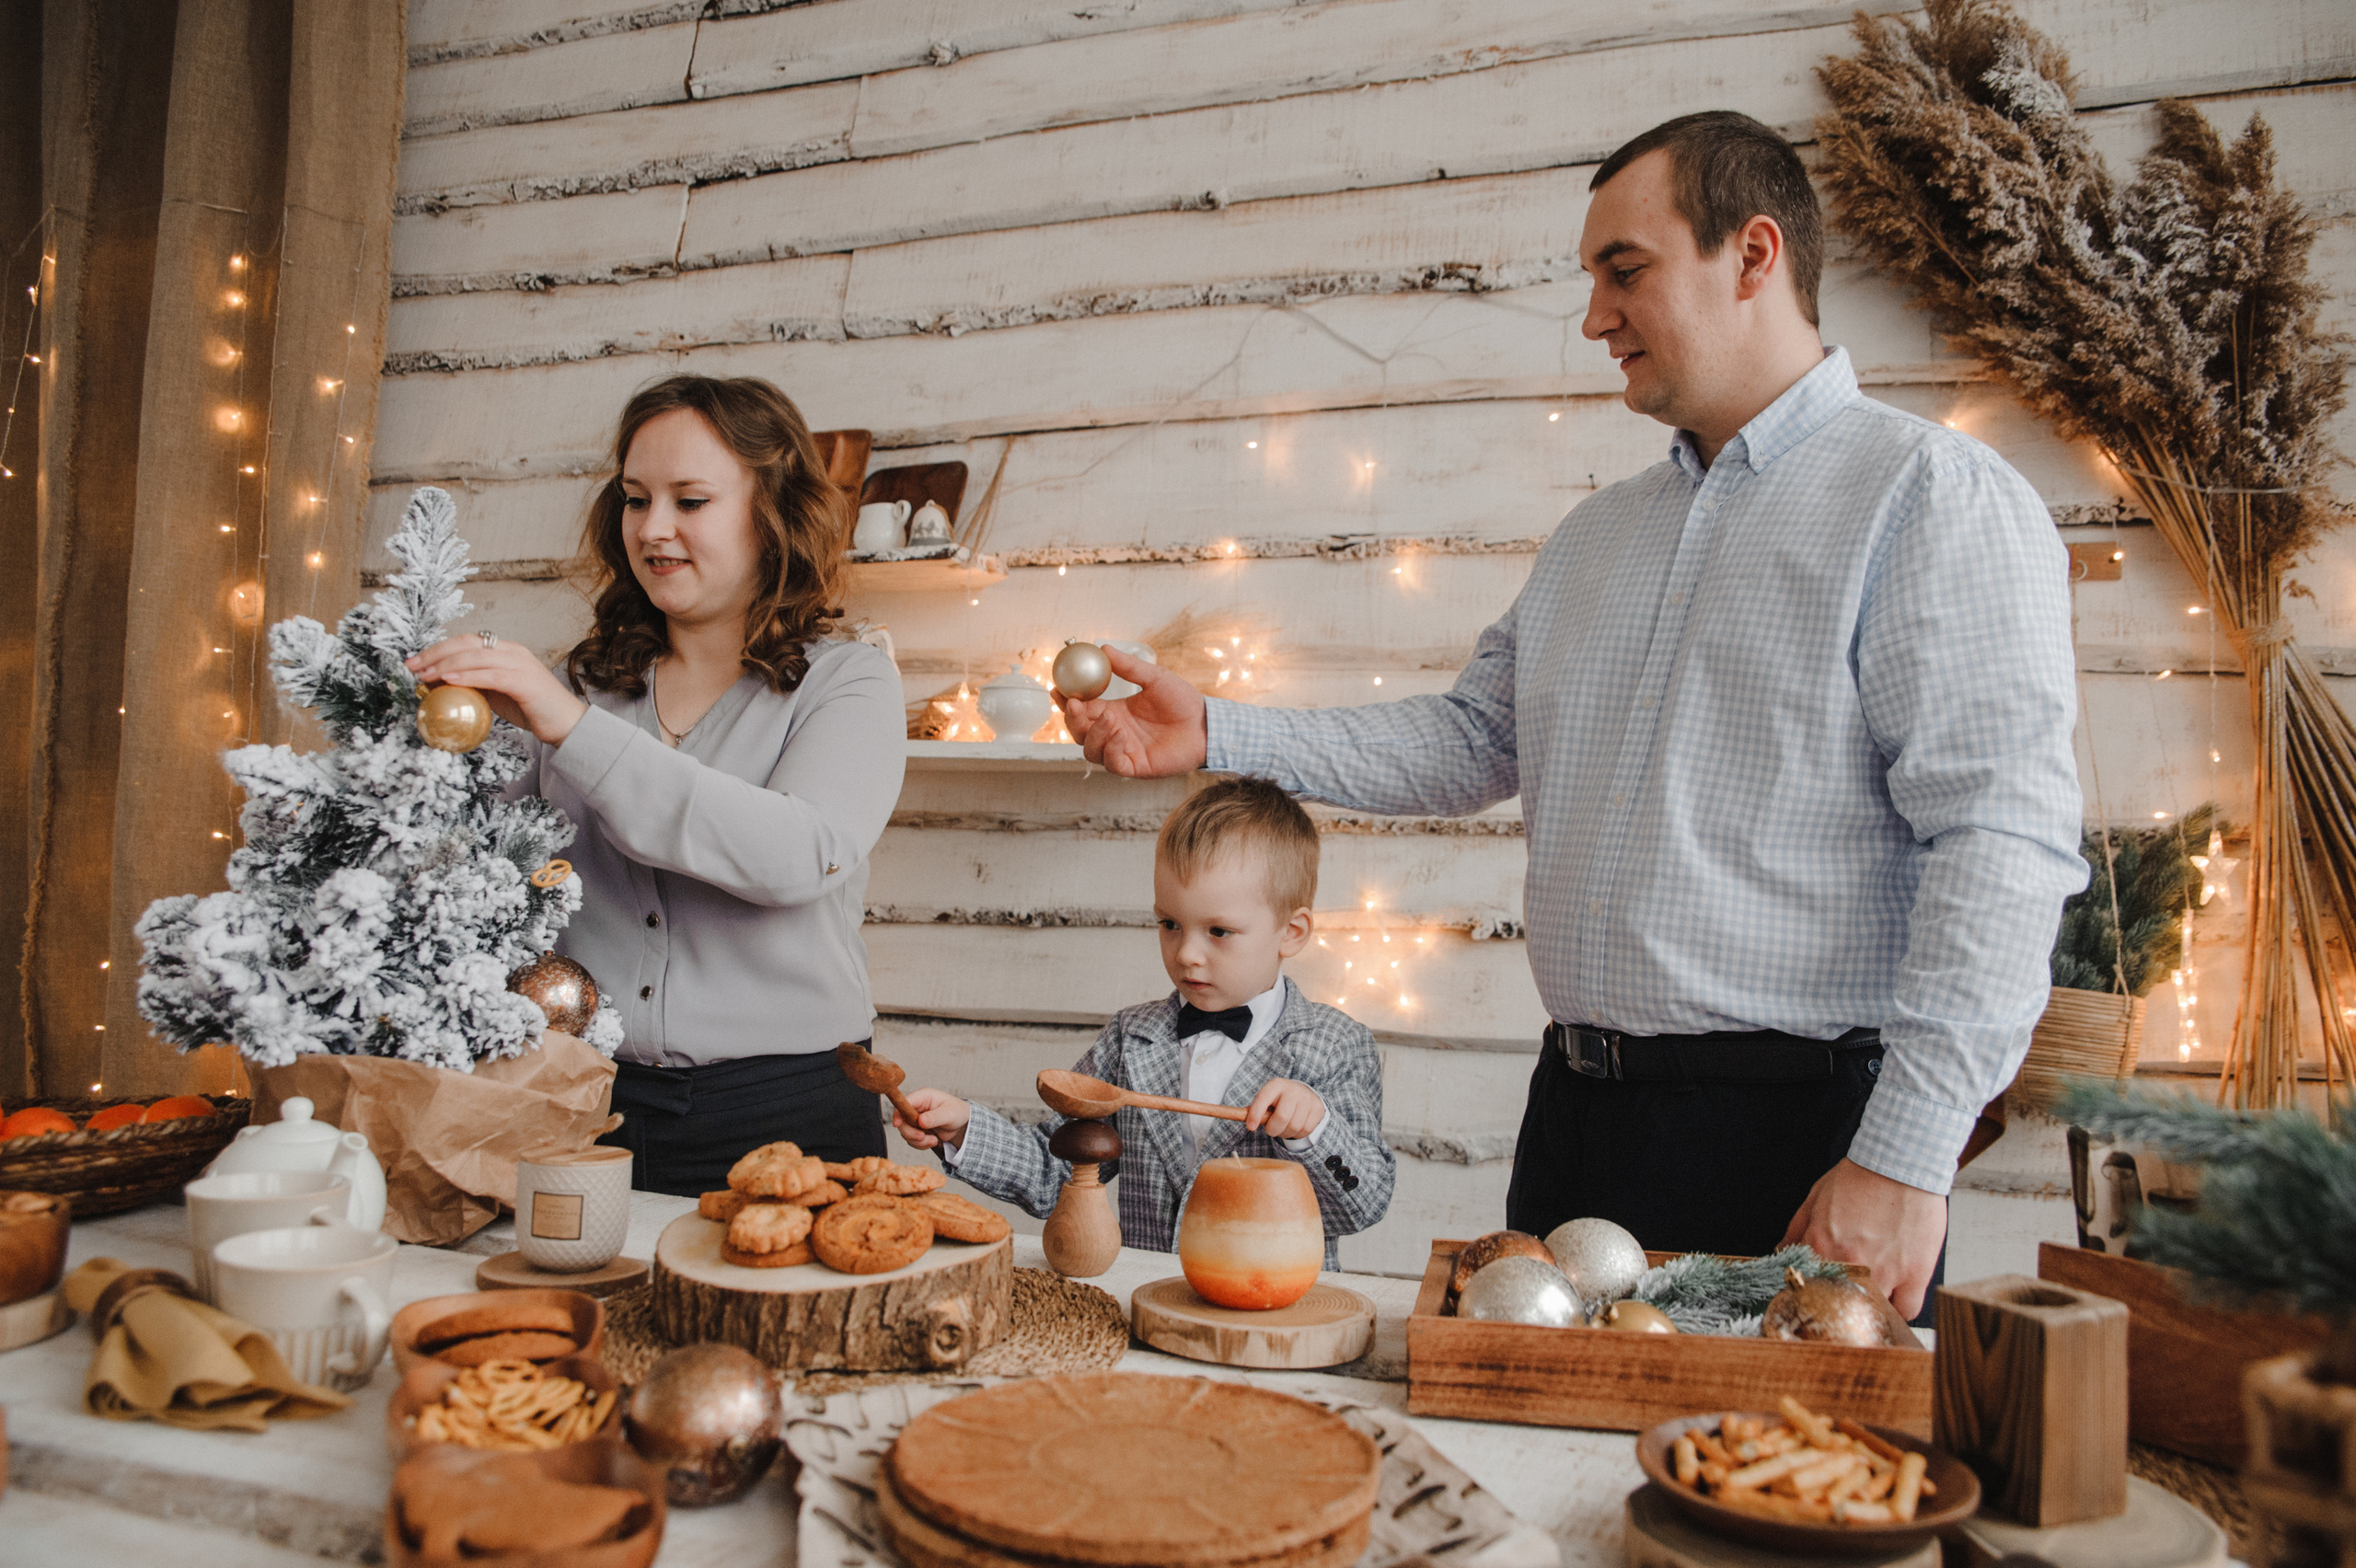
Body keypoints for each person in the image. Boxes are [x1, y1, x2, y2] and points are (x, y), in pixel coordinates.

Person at [1055, 111, 2088, 1320]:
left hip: (1805, 1137)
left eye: (1625, 270)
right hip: (1577, 1123)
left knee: (1761, 1491)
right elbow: (1469, 743)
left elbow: (2003, 845)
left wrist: (1907, 1155)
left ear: (1754, 255)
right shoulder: (1595, 536)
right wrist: (1219, 733)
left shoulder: (1930, 498)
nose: (1595, 315)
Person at [406, 375, 907, 1194]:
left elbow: (795, 854)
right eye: (637, 500)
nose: (655, 528)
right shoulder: (580, 686)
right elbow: (487, 878)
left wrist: (570, 728)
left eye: (691, 499)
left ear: (771, 512)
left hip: (791, 1116)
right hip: (577, 1103)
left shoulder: (848, 683)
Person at [891, 778, 1394, 1265]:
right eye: (1169, 924)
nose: (1187, 954)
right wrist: (963, 1130)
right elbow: (1056, 1170)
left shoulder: (1336, 1045)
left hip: (1274, 1322)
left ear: (1292, 931)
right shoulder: (1131, 1038)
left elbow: (1362, 1206)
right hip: (1146, 1304)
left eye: (1218, 931)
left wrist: (1314, 1130)